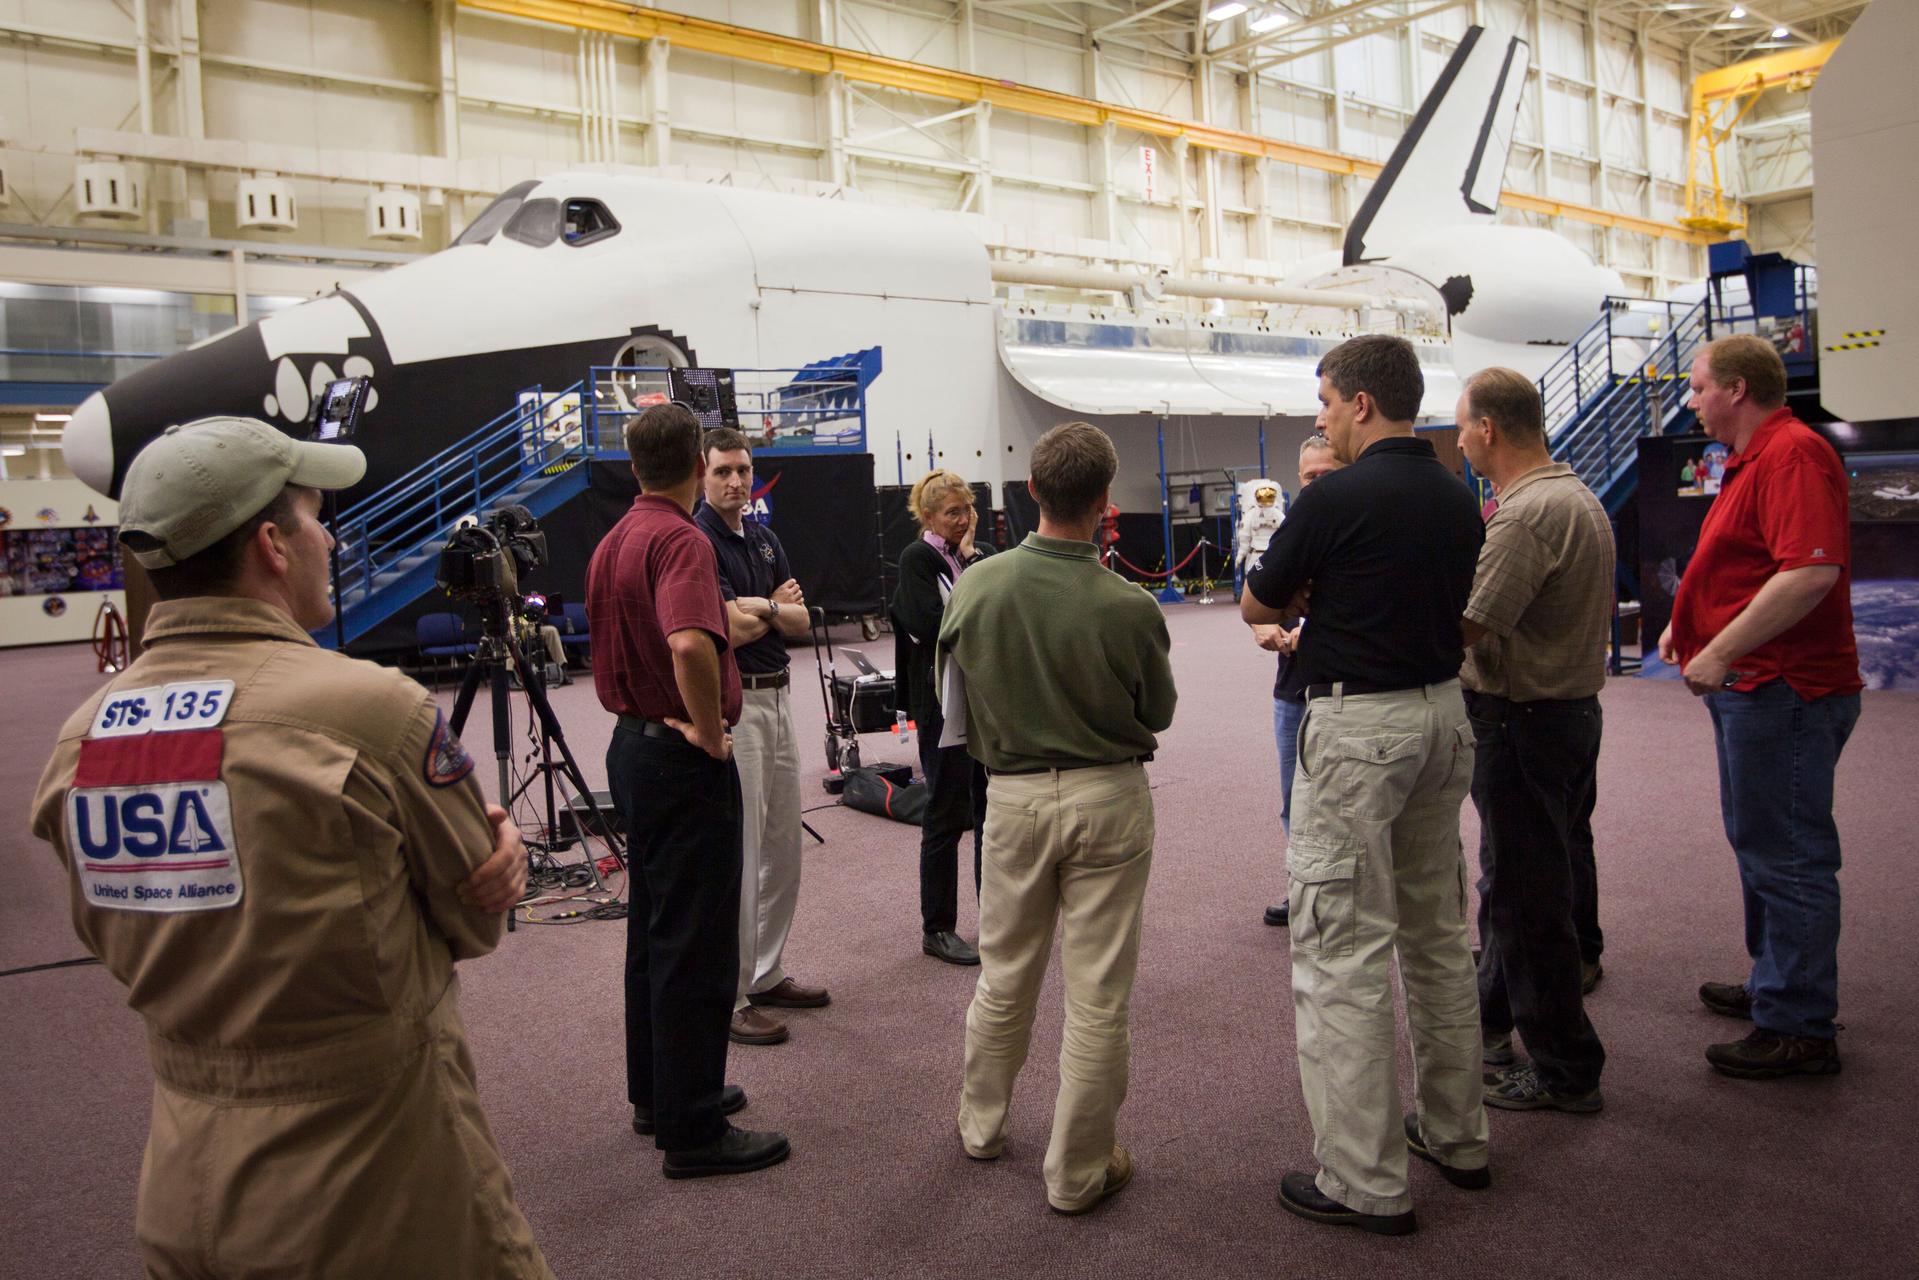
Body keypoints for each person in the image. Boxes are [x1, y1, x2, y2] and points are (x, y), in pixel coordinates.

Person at [28, 417, 551, 1278]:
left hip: (182, 1182)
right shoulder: (367, 710)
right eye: (314, 517)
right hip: (372, 1182)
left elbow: (119, 929)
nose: (331, 539)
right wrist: (497, 858)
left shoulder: (81, 741)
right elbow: (472, 917)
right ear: (272, 546)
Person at [1242, 334, 1487, 1236]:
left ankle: (1362, 1179)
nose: (1319, 418)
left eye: (1323, 401)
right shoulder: (1458, 497)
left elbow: (1257, 602)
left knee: (1340, 952)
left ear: (1359, 403)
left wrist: (1315, 590)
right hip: (1440, 717)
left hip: (1357, 731)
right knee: (1435, 937)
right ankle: (1458, 1136)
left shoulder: (1332, 497)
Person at [941, 421, 1175, 1216]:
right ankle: (1077, 1173)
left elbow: (953, 699)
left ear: (1032, 490)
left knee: (1003, 974)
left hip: (1010, 798)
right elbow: (1159, 711)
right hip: (1108, 796)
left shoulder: (975, 585)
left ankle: (981, 1126)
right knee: (1098, 994)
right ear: (1106, 501)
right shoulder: (1129, 604)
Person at [588, 402, 789, 1177]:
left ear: (633, 464)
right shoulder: (680, 540)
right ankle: (693, 1127)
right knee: (696, 944)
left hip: (629, 747)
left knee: (654, 933)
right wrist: (707, 730)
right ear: (698, 464)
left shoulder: (615, 538)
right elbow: (689, 644)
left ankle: (661, 1094)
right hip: (678, 757)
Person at [1659, 334, 1862, 1079]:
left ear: (1736, 389)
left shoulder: (1791, 454)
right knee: (1762, 843)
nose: (1690, 401)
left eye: (1697, 386)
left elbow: (1808, 573)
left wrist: (1717, 649)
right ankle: (1776, 982)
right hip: (1761, 686)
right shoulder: (1758, 457)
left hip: (1784, 688)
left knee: (1788, 854)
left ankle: (1799, 1024)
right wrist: (1689, 625)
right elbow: (1750, 567)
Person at [1454, 368, 1613, 1114]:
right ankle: (1490, 1019)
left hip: (1523, 721)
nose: (1459, 441)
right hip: (1564, 715)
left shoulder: (1524, 516)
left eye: (1462, 426)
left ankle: (1564, 1068)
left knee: (1526, 900)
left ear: (1487, 428)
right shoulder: (1574, 496)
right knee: (1518, 882)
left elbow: (1469, 625)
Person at [695, 427, 829, 1046]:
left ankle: (765, 971)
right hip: (737, 705)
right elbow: (724, 630)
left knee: (783, 846)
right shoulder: (700, 540)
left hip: (779, 697)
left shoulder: (766, 538)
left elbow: (801, 619)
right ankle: (731, 994)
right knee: (743, 853)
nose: (736, 482)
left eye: (743, 470)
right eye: (723, 471)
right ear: (703, 474)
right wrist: (770, 610)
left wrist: (767, 609)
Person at [891, 468, 994, 965]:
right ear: (928, 516)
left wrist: (972, 560)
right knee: (946, 812)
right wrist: (971, 578)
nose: (963, 519)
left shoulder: (980, 555)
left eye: (967, 509)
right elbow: (934, 625)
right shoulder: (918, 558)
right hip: (940, 703)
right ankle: (938, 928)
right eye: (952, 512)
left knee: (989, 810)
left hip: (982, 700)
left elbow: (998, 611)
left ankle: (995, 916)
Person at [1252, 436, 1343, 927]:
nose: (1317, 485)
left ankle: (1343, 892)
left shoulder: (1357, 533)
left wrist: (1310, 629)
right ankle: (1302, 887)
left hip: (1345, 692)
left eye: (1327, 475)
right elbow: (1258, 598)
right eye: (1310, 477)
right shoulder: (1289, 535)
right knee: (1294, 799)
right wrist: (1263, 626)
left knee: (1342, 799)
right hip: (1291, 692)